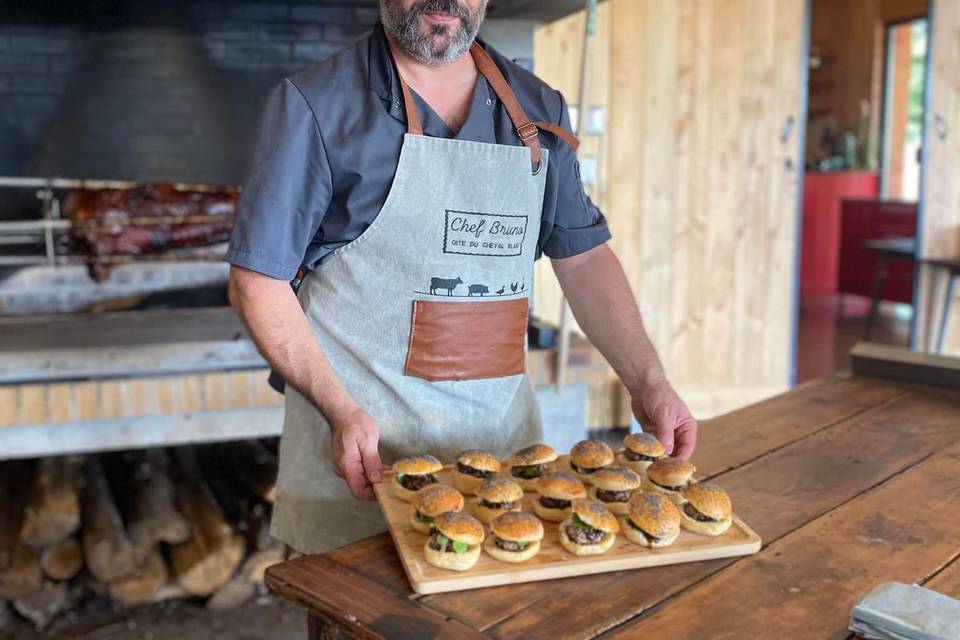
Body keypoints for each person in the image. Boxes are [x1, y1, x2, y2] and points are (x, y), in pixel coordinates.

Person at [226, 0, 698, 554]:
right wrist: (340, 409)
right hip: (361, 453)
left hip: (501, 456)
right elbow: (257, 280)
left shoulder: (536, 108)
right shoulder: (316, 107)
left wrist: (649, 382)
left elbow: (585, 258)